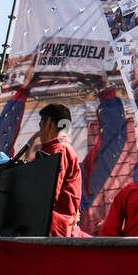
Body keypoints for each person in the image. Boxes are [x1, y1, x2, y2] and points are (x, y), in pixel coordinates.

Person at [37, 102, 84, 237]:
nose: (39, 132)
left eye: (40, 126)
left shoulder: (58, 150)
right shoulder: (62, 149)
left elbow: (47, 196)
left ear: (49, 123)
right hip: (58, 228)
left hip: (53, 230)